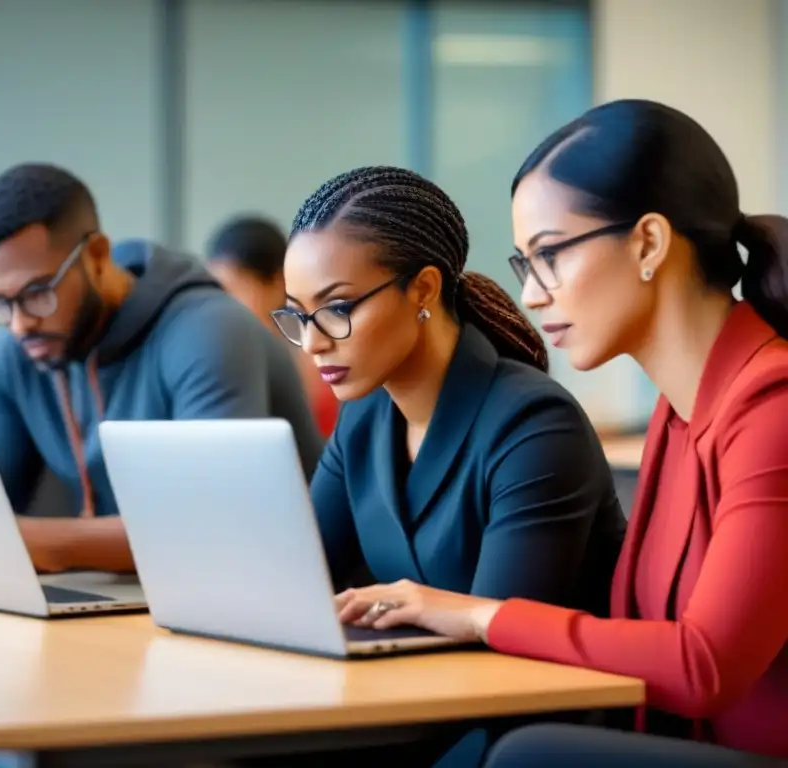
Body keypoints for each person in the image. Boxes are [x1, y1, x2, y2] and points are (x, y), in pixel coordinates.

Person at [339, 101, 788, 762]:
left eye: (549, 255)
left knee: (527, 755)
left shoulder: (772, 405)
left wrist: (475, 613)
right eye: (525, 265)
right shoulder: (682, 406)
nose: (533, 296)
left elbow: (703, 667)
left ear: (649, 244)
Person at [261, 166, 627, 766]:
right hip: (411, 710)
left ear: (424, 290)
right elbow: (295, 575)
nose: (314, 343)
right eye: (298, 317)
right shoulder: (364, 419)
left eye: (336, 309)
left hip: (520, 739)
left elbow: (502, 656)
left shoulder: (533, 423)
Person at [0, 163, 324, 574]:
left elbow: (214, 528)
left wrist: (34, 542)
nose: (20, 322)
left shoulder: (210, 330)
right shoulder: (17, 348)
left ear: (97, 256)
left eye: (37, 292)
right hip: (142, 597)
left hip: (278, 590)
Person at [205, 215, 340, 436]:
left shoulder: (315, 352)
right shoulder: (219, 354)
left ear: (278, 282)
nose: (222, 303)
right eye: (216, 289)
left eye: (235, 288)